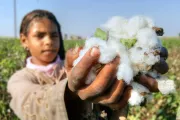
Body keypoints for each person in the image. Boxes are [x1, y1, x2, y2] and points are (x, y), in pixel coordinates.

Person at [7, 9, 169, 120]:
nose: (48, 41)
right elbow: (32, 106)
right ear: (24, 40)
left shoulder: (77, 65)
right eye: (40, 36)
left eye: (54, 35)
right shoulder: (19, 79)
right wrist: (72, 91)